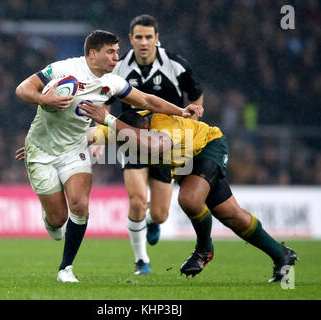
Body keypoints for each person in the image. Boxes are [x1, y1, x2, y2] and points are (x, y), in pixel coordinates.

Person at [15, 30, 203, 283]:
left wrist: (182, 110)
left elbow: (147, 100)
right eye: (111, 52)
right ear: (93, 53)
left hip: (75, 148)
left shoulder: (112, 82)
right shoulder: (63, 69)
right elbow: (22, 89)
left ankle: (66, 269)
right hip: (41, 150)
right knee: (58, 219)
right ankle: (50, 220)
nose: (117, 57)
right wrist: (43, 98)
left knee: (80, 206)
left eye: (117, 52)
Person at [76, 102, 299, 283]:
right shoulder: (120, 129)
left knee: (190, 199)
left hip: (207, 147)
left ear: (145, 127)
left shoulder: (162, 125)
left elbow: (155, 146)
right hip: (186, 165)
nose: (131, 150)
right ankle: (281, 255)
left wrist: (108, 119)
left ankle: (203, 249)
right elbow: (82, 136)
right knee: (231, 215)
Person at [103, 14, 204, 275]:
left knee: (159, 214)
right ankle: (141, 261)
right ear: (131, 39)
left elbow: (195, 95)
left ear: (157, 39)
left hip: (165, 144)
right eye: (139, 37)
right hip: (132, 140)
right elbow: (105, 100)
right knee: (137, 201)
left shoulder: (176, 65)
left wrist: (192, 120)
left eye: (149, 37)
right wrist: (99, 135)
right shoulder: (118, 67)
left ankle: (151, 222)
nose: (144, 42)